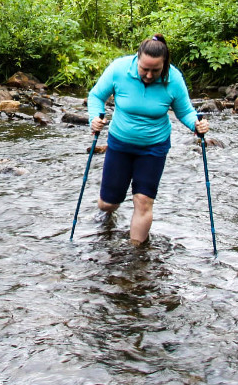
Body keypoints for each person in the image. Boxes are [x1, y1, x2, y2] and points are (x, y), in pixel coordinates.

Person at [87, 34, 209, 245]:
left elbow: (185, 112)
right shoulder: (119, 69)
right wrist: (95, 117)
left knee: (143, 202)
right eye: (145, 69)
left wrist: (197, 125)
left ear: (165, 64)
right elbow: (96, 96)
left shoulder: (174, 79)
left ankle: (136, 256)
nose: (149, 75)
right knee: (108, 204)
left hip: (154, 148)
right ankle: (107, 217)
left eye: (156, 70)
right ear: (137, 58)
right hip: (120, 145)